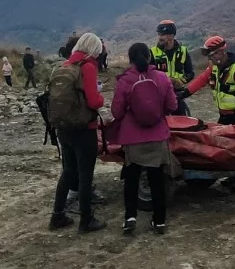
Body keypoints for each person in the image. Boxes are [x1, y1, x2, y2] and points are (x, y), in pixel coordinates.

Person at [112, 43, 179, 235]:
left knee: (131, 179)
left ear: (130, 59)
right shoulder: (162, 77)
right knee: (156, 179)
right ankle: (159, 222)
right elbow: (173, 105)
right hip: (157, 135)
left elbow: (116, 112)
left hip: (132, 138)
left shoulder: (125, 80)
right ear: (149, 57)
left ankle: (130, 218)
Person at [49, 33, 108, 234]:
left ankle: (57, 215)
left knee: (68, 171)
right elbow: (93, 101)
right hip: (84, 129)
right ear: (95, 49)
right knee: (85, 176)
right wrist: (101, 99)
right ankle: (86, 220)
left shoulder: (64, 66)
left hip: (63, 128)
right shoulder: (88, 67)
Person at [182, 36, 235, 125]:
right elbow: (200, 80)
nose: (209, 59)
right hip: (224, 117)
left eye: (211, 55)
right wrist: (184, 94)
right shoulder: (214, 67)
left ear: (220, 52)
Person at [152, 20, 194, 115]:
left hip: (178, 94)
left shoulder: (183, 51)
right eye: (159, 34)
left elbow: (190, 73)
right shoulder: (153, 52)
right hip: (160, 95)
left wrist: (181, 81)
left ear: (171, 36)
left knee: (182, 122)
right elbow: (149, 74)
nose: (160, 38)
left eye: (163, 35)